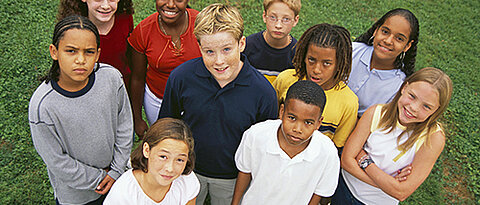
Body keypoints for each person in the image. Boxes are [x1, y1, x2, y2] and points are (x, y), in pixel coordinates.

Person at [158, 4, 278, 205]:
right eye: (210, 51)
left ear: (241, 43)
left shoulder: (263, 92)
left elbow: (263, 146)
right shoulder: (181, 77)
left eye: (227, 49)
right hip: (187, 170)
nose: (219, 61)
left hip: (232, 176)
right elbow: (168, 124)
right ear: (199, 47)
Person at [28, 15, 133, 205]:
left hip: (118, 182)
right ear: (54, 51)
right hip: (77, 197)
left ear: (98, 54)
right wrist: (98, 178)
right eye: (71, 51)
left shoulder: (111, 78)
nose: (81, 60)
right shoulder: (43, 105)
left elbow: (124, 125)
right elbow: (56, 160)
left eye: (89, 52)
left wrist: (117, 170)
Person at [332, 67, 453, 205]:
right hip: (344, 188)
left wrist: (363, 159)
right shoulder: (376, 113)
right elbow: (346, 161)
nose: (414, 107)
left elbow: (401, 192)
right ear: (404, 87)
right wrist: (388, 184)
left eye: (426, 106)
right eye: (412, 96)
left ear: (437, 110)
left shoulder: (433, 138)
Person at [232, 80, 339, 205]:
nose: (297, 129)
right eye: (292, 118)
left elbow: (319, 193)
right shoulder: (256, 135)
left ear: (319, 123)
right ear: (282, 112)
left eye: (308, 122)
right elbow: (245, 172)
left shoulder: (328, 153)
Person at [272, 23, 358, 149]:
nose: (317, 69)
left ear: (340, 63)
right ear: (304, 56)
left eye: (327, 63)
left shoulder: (349, 102)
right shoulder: (285, 79)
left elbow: (337, 147)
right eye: (312, 59)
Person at [128, 0, 202, 138]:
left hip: (198, 99)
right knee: (165, 142)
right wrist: (137, 119)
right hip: (158, 101)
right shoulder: (144, 31)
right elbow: (137, 78)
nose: (170, 5)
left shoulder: (201, 23)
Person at [104, 118, 199, 205]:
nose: (170, 168)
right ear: (146, 150)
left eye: (179, 160)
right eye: (163, 156)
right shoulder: (123, 194)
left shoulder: (187, 181)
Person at [348, 8, 419, 117]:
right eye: (385, 32)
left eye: (399, 39)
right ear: (376, 31)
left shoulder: (398, 87)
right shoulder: (351, 50)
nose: (388, 41)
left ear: (407, 46)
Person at [57, 0, 135, 87]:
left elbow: (130, 57)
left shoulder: (125, 19)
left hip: (120, 84)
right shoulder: (72, 30)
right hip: (88, 87)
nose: (106, 6)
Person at [243, 0, 300, 83]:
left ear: (295, 20)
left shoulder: (298, 54)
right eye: (273, 17)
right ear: (264, 16)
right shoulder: (248, 46)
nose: (278, 25)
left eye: (286, 19)